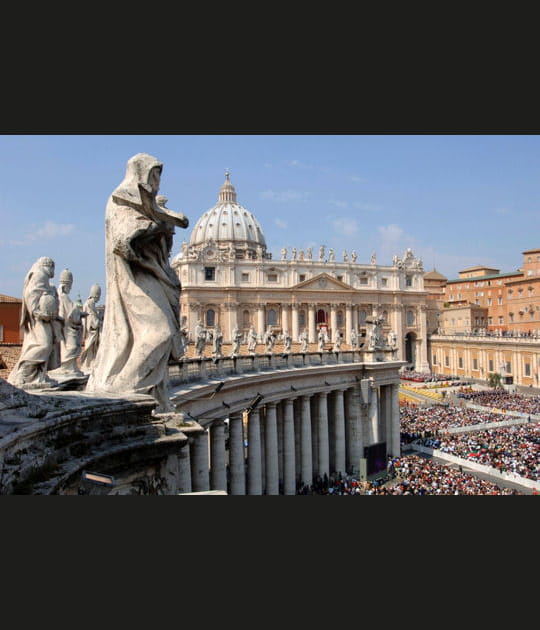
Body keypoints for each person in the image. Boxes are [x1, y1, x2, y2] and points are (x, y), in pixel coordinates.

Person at [86, 153, 189, 413]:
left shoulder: (146, 203)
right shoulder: (121, 199)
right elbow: (123, 240)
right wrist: (155, 226)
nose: (157, 181)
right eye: (155, 175)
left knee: (159, 335)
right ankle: (122, 392)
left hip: (150, 273)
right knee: (158, 334)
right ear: (141, 174)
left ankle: (149, 392)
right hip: (133, 277)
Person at [8, 258, 64, 388]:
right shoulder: (40, 274)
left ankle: (38, 375)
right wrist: (36, 312)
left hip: (43, 318)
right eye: (53, 268)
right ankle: (23, 373)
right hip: (39, 318)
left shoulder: (42, 276)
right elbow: (31, 293)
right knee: (43, 345)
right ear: (49, 266)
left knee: (47, 345)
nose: (53, 271)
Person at [53, 268, 88, 376]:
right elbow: (71, 314)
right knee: (71, 347)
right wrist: (80, 314)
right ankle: (66, 367)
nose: (71, 288)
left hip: (68, 327)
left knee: (71, 347)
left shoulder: (62, 296)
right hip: (67, 328)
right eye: (70, 285)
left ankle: (70, 367)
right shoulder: (63, 297)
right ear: (67, 285)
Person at [80, 283, 102, 371]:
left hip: (91, 331)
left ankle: (89, 363)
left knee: (92, 349)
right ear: (97, 295)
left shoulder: (88, 303)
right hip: (92, 331)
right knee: (90, 349)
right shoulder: (90, 304)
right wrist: (99, 322)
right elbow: (92, 319)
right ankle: (88, 364)